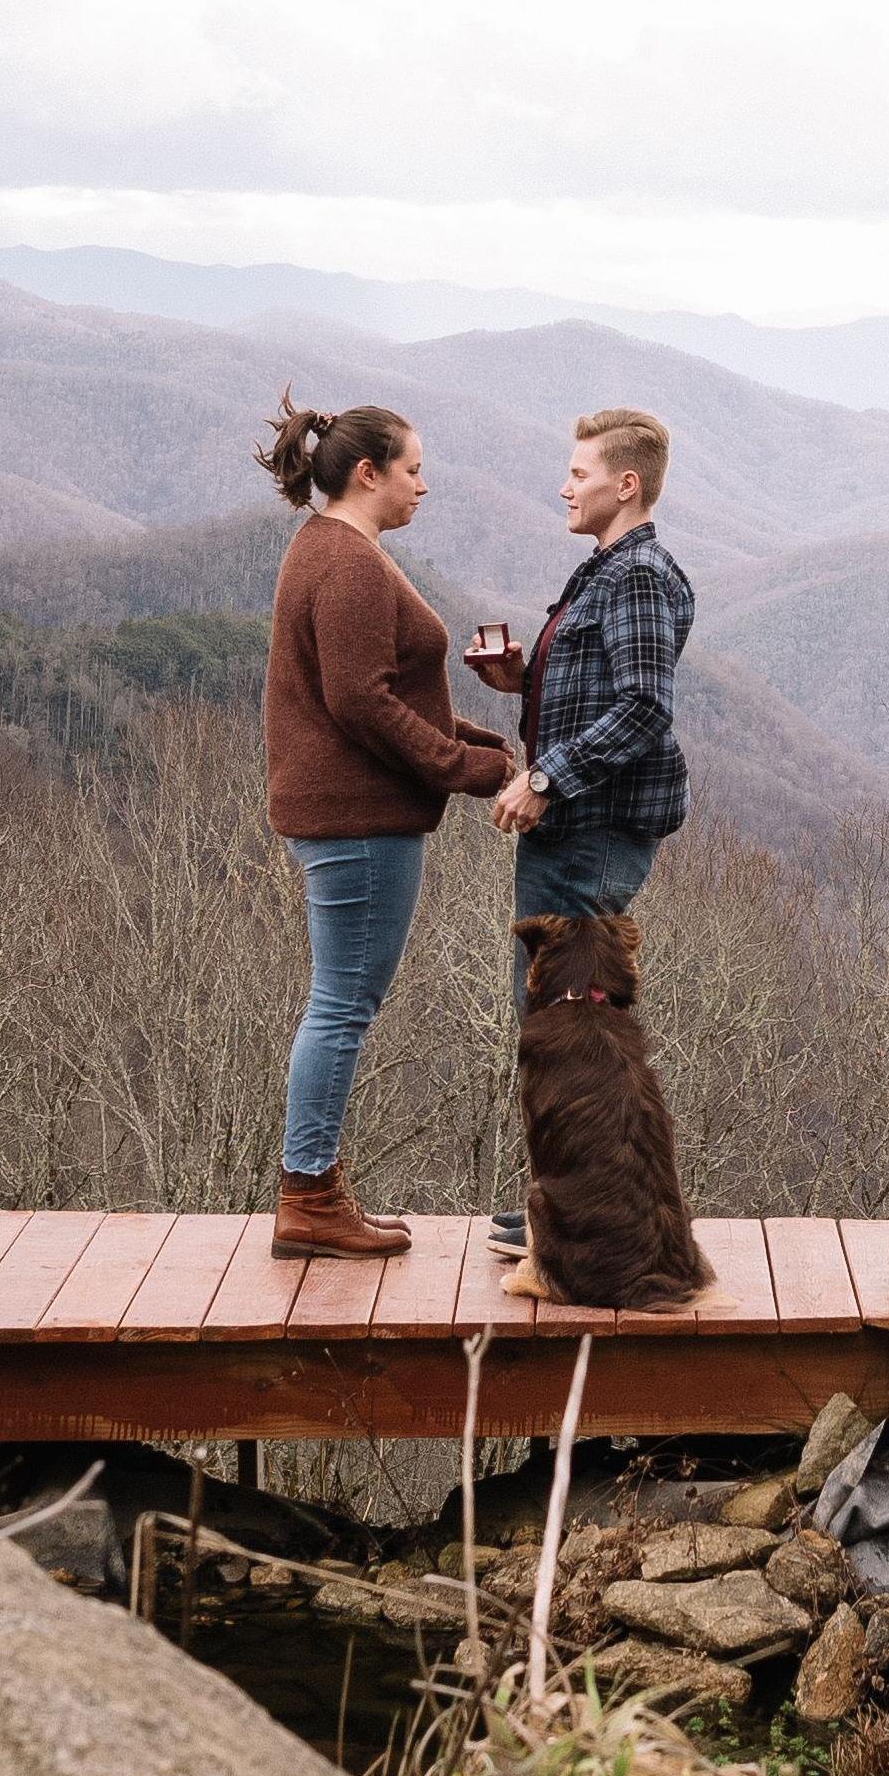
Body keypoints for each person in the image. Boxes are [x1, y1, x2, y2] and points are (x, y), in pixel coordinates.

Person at [257, 390, 511, 1258]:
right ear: (369, 474)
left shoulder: (325, 548)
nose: (423, 487)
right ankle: (309, 1194)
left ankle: (314, 1187)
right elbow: (360, 702)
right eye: (414, 470)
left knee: (339, 1002)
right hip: (358, 821)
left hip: (342, 813)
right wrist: (463, 769)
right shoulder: (351, 564)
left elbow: (378, 690)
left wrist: (471, 739)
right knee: (342, 1005)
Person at [465, 408, 693, 1252]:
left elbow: (642, 707)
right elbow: (608, 690)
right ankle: (572, 1206)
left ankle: (585, 1217)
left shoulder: (636, 576)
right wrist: (524, 678)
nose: (565, 486)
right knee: (568, 1018)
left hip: (590, 827)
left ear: (625, 484)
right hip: (579, 825)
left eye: (579, 472)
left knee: (572, 1023)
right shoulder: (601, 571)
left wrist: (545, 776)